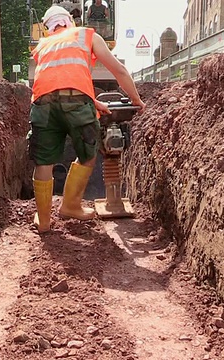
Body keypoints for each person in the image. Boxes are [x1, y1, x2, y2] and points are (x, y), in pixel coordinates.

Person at [28, 5, 146, 233]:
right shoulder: (85, 34)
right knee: (88, 153)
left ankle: (43, 222)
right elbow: (119, 70)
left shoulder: (43, 45)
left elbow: (58, 79)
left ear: (48, 27)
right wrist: (136, 100)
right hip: (77, 103)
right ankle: (70, 205)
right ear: (69, 21)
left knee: (44, 162)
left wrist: (92, 101)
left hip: (42, 103)